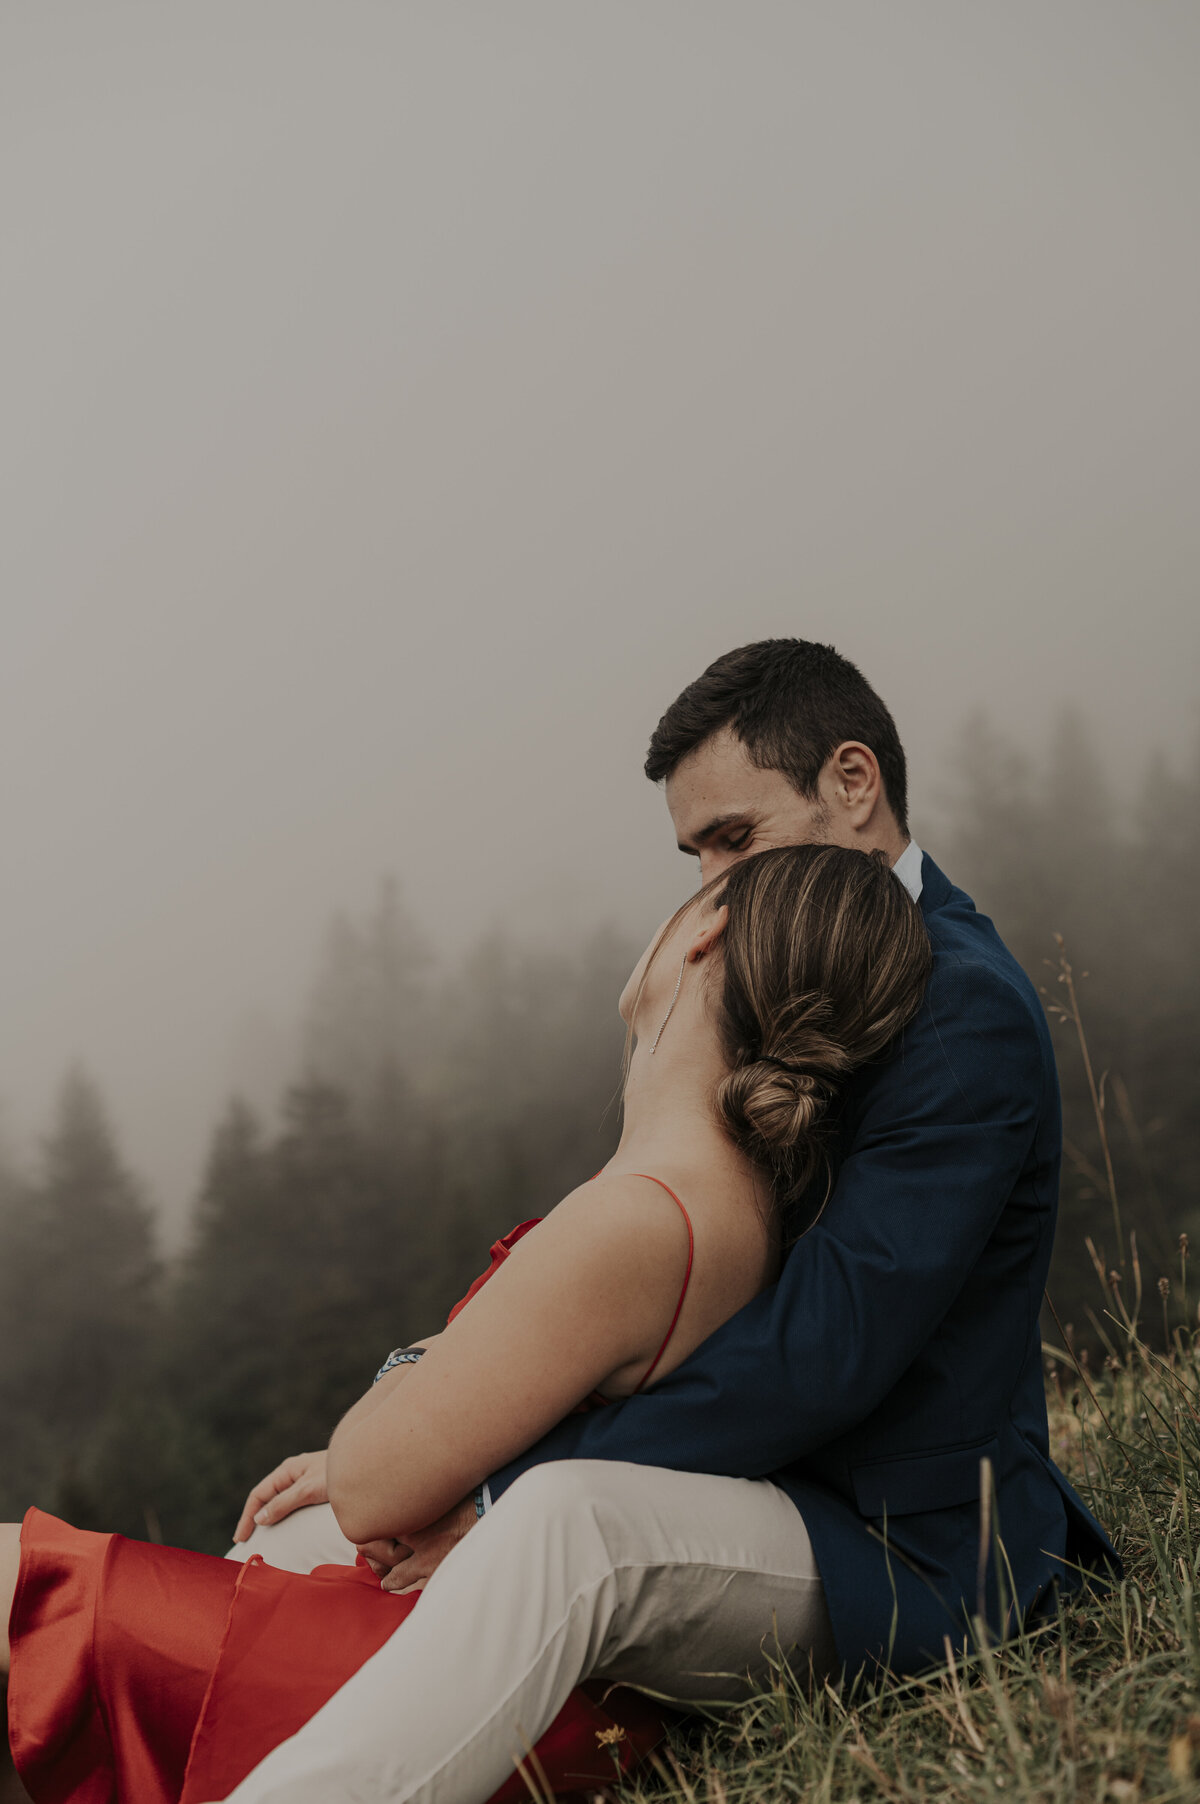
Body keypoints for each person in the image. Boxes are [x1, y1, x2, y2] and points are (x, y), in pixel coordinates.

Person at [198, 638, 1119, 1804]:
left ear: (853, 783)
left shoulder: (960, 1008)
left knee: (559, 1523)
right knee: (300, 1541)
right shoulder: (763, 963)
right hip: (737, 1486)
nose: (710, 888)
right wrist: (426, 1431)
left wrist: (491, 1486)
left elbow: (815, 1356)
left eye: (735, 838)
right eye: (694, 855)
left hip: (898, 1551)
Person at [2, 836, 933, 1803]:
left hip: (437, 1674)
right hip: (507, 1659)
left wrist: (416, 1366)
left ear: (709, 930)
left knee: (20, 1585)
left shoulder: (646, 1209)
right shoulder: (734, 1200)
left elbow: (371, 1487)